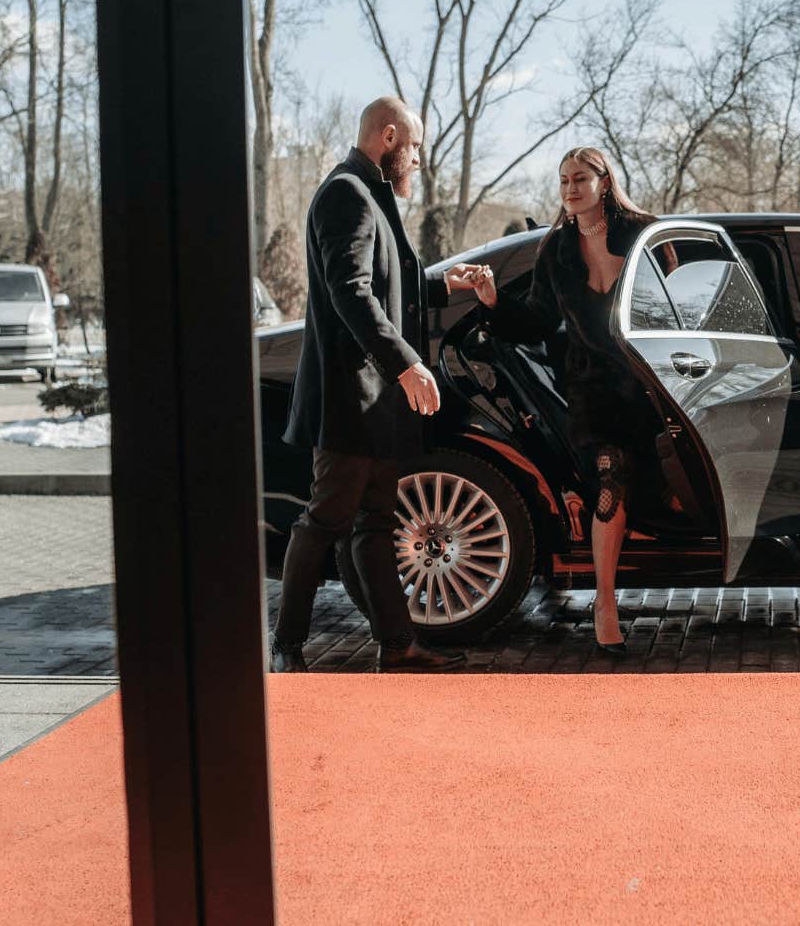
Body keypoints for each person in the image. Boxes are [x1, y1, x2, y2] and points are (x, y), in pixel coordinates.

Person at [271, 96, 485, 673]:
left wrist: (448, 284)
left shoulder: (369, 194)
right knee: (324, 521)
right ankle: (286, 646)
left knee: (374, 523)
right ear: (388, 137)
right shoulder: (347, 193)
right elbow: (352, 292)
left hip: (375, 401)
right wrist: (406, 364)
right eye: (414, 147)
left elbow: (394, 286)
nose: (417, 160)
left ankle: (398, 645)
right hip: (349, 398)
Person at [468, 147, 661, 655]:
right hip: (590, 389)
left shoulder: (644, 234)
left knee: (653, 478)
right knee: (610, 476)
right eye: (563, 181)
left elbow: (677, 306)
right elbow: (536, 318)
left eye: (580, 178)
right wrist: (492, 302)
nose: (570, 188)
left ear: (604, 181)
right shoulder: (555, 249)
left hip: (648, 386)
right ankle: (605, 602)